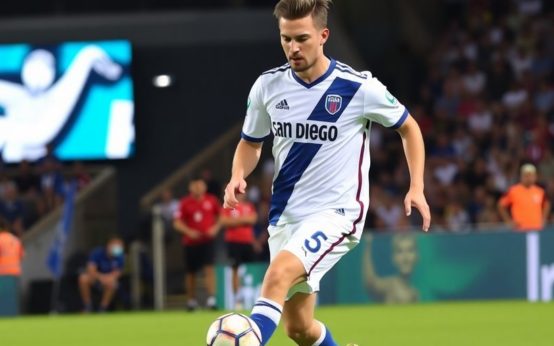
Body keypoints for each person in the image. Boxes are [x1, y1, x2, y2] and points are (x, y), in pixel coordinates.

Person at [223, 1, 431, 345]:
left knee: (276, 276)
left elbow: (409, 128)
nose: (292, 48)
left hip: (337, 213)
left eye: (301, 38)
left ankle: (245, 340)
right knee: (300, 329)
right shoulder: (267, 87)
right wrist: (237, 175)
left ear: (323, 35)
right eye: (285, 39)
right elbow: (251, 143)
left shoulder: (358, 87)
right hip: (285, 218)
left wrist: (417, 186)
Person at [173, 176, 221, 311]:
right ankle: (191, 301)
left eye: (200, 185)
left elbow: (221, 217)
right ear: (190, 187)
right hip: (190, 242)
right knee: (190, 273)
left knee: (209, 269)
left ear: (204, 187)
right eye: (195, 185)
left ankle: (211, 300)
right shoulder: (184, 203)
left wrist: (214, 229)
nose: (198, 188)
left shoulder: (211, 200)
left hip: (207, 241)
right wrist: (189, 232)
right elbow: (177, 223)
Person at [220, 193, 258, 308]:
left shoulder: (249, 206)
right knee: (235, 269)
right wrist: (244, 220)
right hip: (233, 242)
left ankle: (254, 297)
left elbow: (253, 219)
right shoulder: (228, 206)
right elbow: (224, 221)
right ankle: (237, 299)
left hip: (248, 242)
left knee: (252, 268)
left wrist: (236, 221)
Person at [363, 234, 418, 304]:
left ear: (417, 256)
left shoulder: (415, 293)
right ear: (393, 258)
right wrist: (368, 245)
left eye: (410, 250)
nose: (405, 257)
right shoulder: (389, 286)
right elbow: (370, 282)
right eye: (400, 251)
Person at [498, 163, 551, 231]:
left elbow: (547, 204)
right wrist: (508, 221)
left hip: (536, 229)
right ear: (521, 176)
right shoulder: (513, 191)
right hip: (520, 229)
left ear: (535, 176)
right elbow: (501, 205)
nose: (528, 178)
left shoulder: (540, 191)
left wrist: (543, 219)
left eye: (531, 175)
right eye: (526, 175)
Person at [78, 236, 125, 313]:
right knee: (83, 278)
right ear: (109, 245)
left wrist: (108, 278)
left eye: (120, 246)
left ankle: (103, 308)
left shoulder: (120, 256)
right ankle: (87, 306)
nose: (119, 248)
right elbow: (91, 269)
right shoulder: (97, 252)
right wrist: (101, 277)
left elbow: (117, 273)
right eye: (117, 245)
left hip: (108, 280)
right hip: (96, 278)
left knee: (113, 284)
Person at [0, 217, 24, 316]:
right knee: (13, 302)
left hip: (2, 274)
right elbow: (22, 255)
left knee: (3, 302)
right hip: (15, 273)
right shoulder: (15, 240)